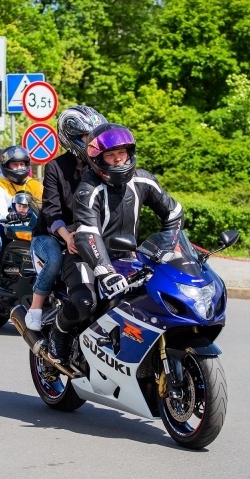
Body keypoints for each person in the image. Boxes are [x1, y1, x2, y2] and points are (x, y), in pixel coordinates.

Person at [46, 124, 184, 365]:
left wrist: (171, 246)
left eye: (122, 152)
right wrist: (105, 271)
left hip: (128, 256)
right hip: (84, 256)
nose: (118, 159)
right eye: (110, 155)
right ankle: (59, 334)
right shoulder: (87, 190)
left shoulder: (144, 180)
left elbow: (173, 212)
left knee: (152, 300)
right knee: (85, 302)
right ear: (98, 159)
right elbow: (88, 233)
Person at [24, 105, 107, 331]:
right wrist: (67, 236)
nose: (93, 143)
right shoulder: (56, 167)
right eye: (87, 137)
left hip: (86, 232)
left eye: (96, 137)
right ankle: (36, 306)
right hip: (51, 233)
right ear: (71, 138)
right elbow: (51, 210)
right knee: (54, 260)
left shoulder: (101, 168)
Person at [0, 145, 43, 310]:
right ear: (6, 166)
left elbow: (46, 203)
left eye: (22, 164)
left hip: (27, 228)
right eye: (15, 165)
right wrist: (8, 216)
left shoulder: (34, 185)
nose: (19, 168)